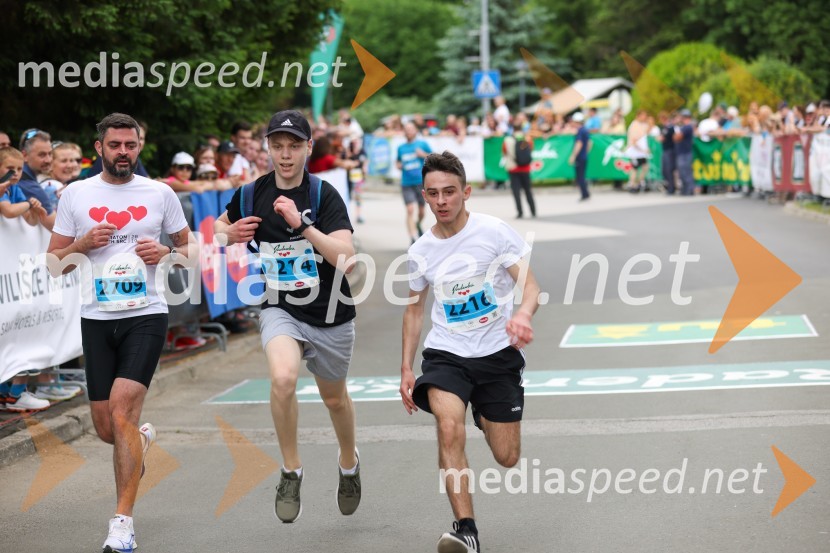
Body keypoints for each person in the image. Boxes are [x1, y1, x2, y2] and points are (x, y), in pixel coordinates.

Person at [47, 113, 193, 553]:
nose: (123, 152)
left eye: (130, 145)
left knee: (123, 413)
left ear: (139, 147)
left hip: (146, 314)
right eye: (115, 145)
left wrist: (167, 251)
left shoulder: (159, 193)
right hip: (96, 318)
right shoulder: (76, 194)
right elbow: (54, 264)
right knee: (109, 429)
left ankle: (122, 524)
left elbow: (189, 252)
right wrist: (81, 245)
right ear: (99, 149)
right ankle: (141, 442)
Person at [214, 109, 362, 524]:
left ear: (308, 148)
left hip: (331, 312)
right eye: (277, 146)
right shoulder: (250, 193)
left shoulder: (323, 195)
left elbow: (346, 258)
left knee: (335, 399)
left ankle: (348, 464)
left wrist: (302, 227)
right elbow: (217, 230)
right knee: (282, 379)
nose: (285, 155)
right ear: (267, 148)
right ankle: (291, 470)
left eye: (294, 146)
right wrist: (231, 233)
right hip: (281, 307)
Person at [400, 151, 541, 553]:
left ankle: (482, 409)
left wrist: (524, 315)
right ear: (424, 196)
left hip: (497, 354)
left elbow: (530, 287)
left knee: (507, 456)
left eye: (449, 192)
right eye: (433, 193)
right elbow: (413, 312)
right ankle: (467, 530)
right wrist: (406, 369)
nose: (442, 201)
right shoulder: (421, 251)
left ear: (466, 192)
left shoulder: (494, 233)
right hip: (447, 355)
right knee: (448, 426)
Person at [397, 121, 432, 244]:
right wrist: (399, 165)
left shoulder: (422, 144)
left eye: (411, 128)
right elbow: (397, 162)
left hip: (421, 182)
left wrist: (423, 154)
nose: (408, 131)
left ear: (416, 130)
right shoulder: (401, 148)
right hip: (406, 182)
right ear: (404, 132)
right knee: (410, 209)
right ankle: (413, 237)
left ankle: (418, 224)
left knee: (422, 211)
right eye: (406, 129)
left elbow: (433, 157)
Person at [502, 115, 537, 217]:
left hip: (513, 169)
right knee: (528, 190)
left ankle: (520, 212)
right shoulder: (527, 138)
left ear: (512, 128)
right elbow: (531, 150)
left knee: (516, 191)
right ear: (522, 127)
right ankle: (533, 211)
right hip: (525, 168)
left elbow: (504, 152)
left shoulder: (507, 140)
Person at [569, 112, 591, 201]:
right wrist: (585, 152)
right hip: (584, 156)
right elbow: (590, 143)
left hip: (580, 157)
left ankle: (584, 194)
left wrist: (573, 156)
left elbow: (579, 143)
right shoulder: (585, 130)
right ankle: (586, 193)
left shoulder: (580, 131)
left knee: (580, 177)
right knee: (582, 175)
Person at [674, 109, 696, 196]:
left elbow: (677, 137)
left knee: (685, 171)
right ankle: (685, 188)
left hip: (685, 153)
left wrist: (677, 134)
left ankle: (689, 189)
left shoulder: (688, 127)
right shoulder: (683, 127)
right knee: (682, 171)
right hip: (682, 152)